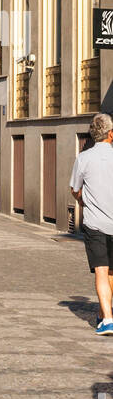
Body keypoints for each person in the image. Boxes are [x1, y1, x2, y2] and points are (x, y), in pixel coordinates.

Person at [70, 112, 113, 335]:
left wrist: (83, 201)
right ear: (111, 134)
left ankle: (106, 318)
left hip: (95, 223)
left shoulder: (83, 158)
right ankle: (104, 313)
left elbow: (75, 190)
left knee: (101, 271)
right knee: (111, 273)